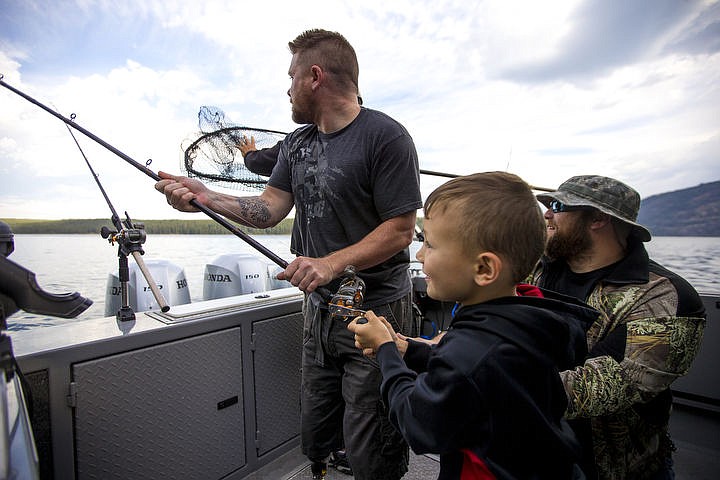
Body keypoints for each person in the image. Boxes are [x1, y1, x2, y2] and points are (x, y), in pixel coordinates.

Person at [155, 29, 422, 480]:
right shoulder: (298, 144)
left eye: (291, 75)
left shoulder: (386, 137)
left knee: (373, 435)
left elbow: (400, 230)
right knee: (316, 425)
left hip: (377, 312)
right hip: (318, 312)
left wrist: (330, 263)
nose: (287, 87)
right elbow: (267, 209)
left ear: (314, 77)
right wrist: (206, 197)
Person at [349, 172, 599, 479]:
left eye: (430, 244)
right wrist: (409, 350)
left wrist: (386, 351)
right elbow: (481, 375)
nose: (420, 254)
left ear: (484, 268)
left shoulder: (477, 348)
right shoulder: (521, 325)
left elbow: (420, 423)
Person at [529, 175, 706, 480]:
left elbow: (604, 386)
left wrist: (488, 380)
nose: (547, 214)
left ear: (598, 218)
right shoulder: (536, 272)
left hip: (615, 470)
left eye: (557, 206)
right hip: (534, 460)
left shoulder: (665, 296)